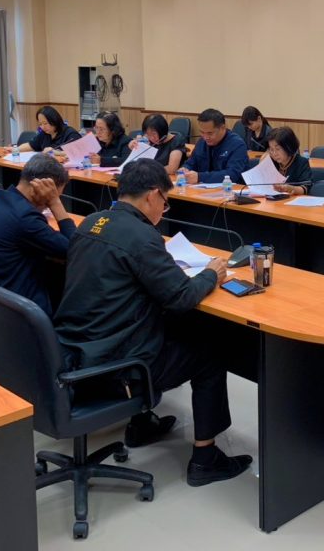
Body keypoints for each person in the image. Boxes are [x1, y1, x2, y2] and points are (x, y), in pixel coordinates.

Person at [54, 160, 253, 486]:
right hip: (117, 368)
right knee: (211, 350)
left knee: (164, 325)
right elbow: (181, 297)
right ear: (153, 195)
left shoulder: (90, 222)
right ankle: (206, 459)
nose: (164, 209)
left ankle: (141, 423)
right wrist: (210, 274)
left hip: (75, 354)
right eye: (165, 202)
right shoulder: (142, 236)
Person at [0, 154, 76, 316]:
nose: (47, 206)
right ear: (41, 187)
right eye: (52, 196)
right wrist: (55, 204)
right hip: (11, 310)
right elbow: (74, 249)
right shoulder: (25, 218)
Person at [183, 108, 248, 185]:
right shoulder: (202, 142)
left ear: (222, 128)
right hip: (201, 189)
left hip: (230, 189)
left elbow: (232, 174)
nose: (205, 137)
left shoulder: (237, 144)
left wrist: (200, 177)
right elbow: (191, 163)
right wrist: (185, 169)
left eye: (210, 133)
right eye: (202, 132)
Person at [265, 126, 312, 196]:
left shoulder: (301, 162)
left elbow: (306, 188)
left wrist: (291, 189)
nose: (274, 153)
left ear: (289, 147)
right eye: (271, 149)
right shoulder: (272, 161)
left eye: (278, 149)